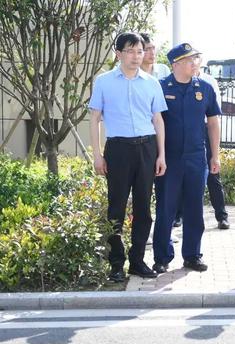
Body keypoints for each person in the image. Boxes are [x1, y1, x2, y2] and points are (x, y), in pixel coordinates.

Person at [88, 32, 167, 281]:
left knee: (144, 208)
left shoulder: (152, 83)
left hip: (147, 148)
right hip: (118, 149)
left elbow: (158, 120)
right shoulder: (104, 81)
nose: (136, 56)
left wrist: (161, 155)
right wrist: (97, 155)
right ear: (118, 53)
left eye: (140, 51)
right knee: (116, 208)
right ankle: (116, 264)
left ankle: (137, 261)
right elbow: (94, 118)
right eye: (131, 51)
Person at [152, 43, 221, 273]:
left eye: (196, 58)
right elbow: (155, 122)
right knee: (166, 208)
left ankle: (192, 255)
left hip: (196, 158)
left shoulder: (205, 88)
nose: (195, 63)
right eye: (189, 59)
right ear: (176, 64)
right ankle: (162, 257)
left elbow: (213, 123)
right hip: (169, 158)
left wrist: (215, 156)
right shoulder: (160, 87)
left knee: (194, 209)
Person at [197, 66, 230, 229]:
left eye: (195, 58)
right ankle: (178, 216)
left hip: (206, 128)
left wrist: (215, 152)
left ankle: (222, 216)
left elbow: (214, 114)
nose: (192, 62)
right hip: (188, 131)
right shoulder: (173, 81)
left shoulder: (209, 82)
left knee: (213, 173)